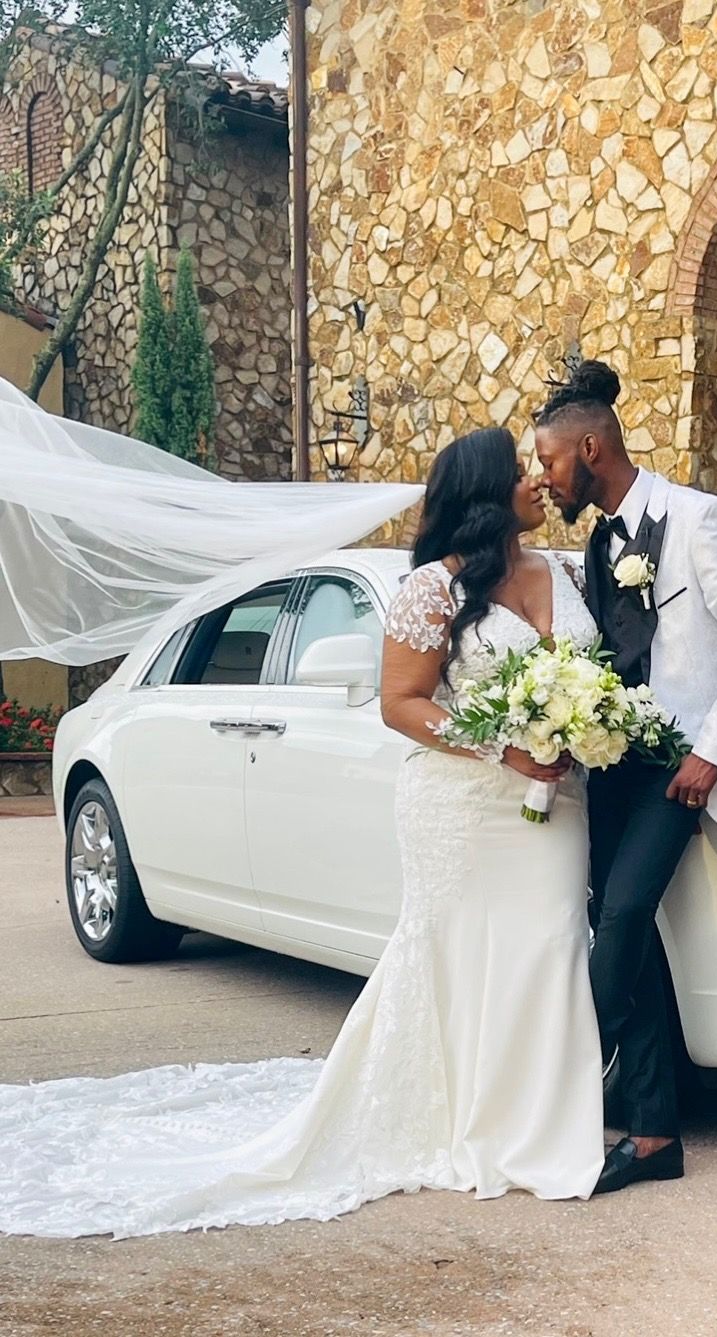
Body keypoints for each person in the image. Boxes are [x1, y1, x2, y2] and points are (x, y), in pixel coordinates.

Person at [0, 427, 605, 1238]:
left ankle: (541, 1127)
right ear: (484, 493)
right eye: (519, 470)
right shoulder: (429, 589)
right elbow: (400, 703)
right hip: (463, 803)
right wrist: (505, 747)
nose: (536, 481)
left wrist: (584, 725)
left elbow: (593, 674)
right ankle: (468, 1122)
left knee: (549, 946)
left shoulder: (563, 572)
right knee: (456, 954)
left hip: (557, 803)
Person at [535, 360, 717, 1195]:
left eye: (549, 461)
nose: (545, 479)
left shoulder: (699, 519)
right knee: (623, 927)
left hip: (681, 767)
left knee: (620, 917)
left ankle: (564, 1075)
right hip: (615, 765)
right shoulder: (596, 542)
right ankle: (654, 1131)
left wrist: (712, 750)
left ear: (589, 448)